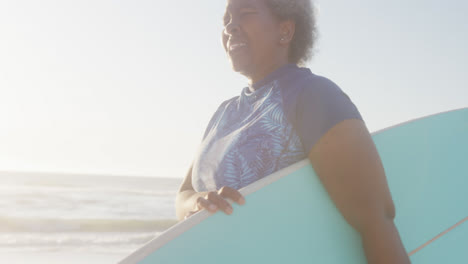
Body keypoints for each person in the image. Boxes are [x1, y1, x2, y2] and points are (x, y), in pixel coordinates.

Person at [176, 0, 411, 263]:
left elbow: (375, 222)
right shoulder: (223, 113)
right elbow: (184, 193)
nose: (230, 27)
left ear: (285, 31)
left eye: (245, 14)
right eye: (226, 19)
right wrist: (199, 202)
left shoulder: (313, 96)